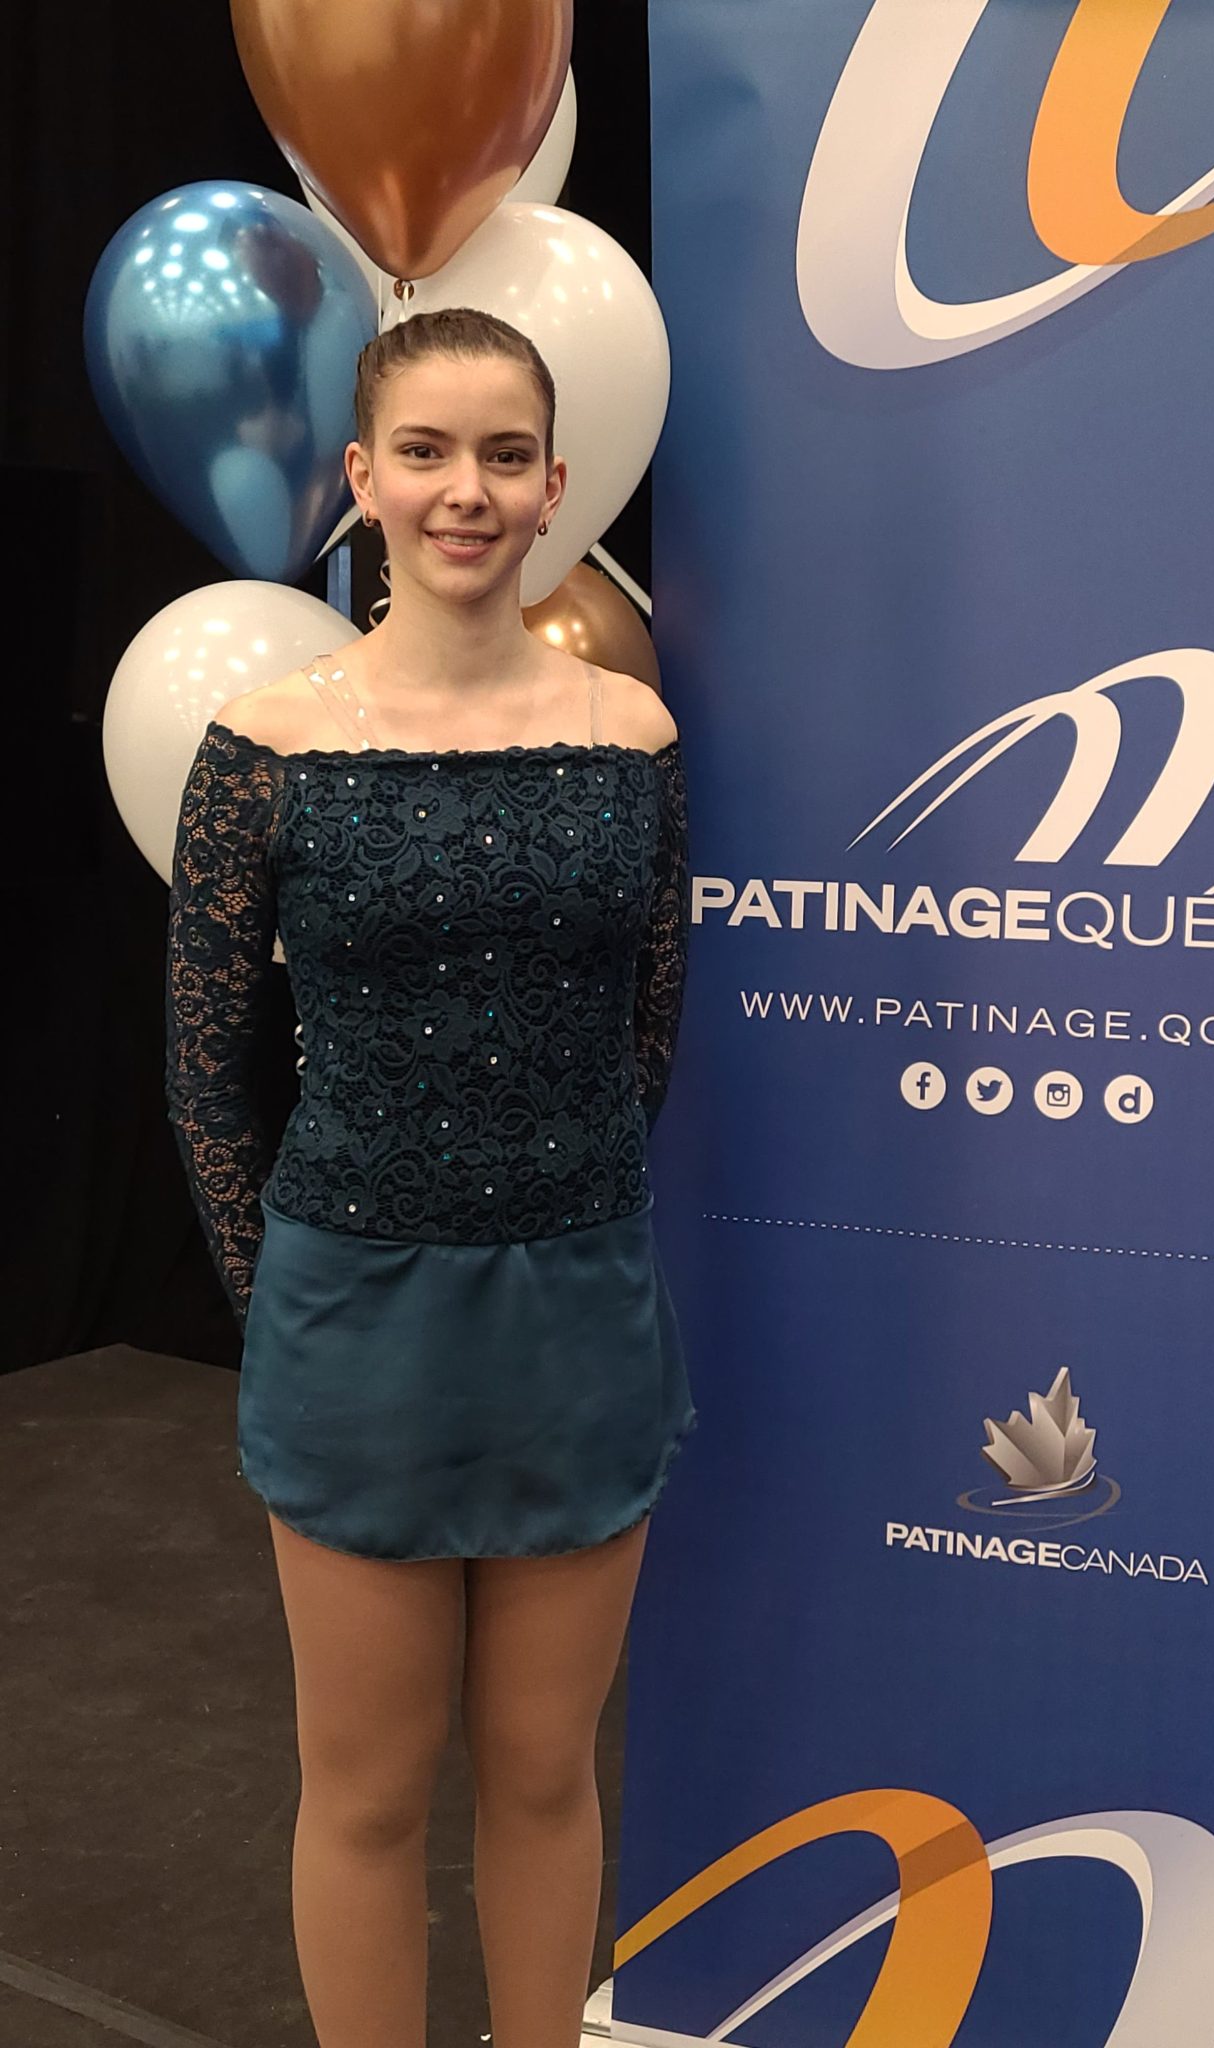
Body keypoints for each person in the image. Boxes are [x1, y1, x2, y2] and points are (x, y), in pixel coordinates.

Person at [164, 306, 694, 2048]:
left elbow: (649, 1033)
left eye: (504, 456)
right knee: (370, 1788)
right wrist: (284, 1306)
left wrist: (555, 1197)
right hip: (354, 1317)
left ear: (553, 487)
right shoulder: (264, 746)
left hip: (579, 1309)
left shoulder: (633, 735)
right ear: (362, 479)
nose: (467, 490)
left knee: (545, 1770)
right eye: (428, 452)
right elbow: (206, 1072)